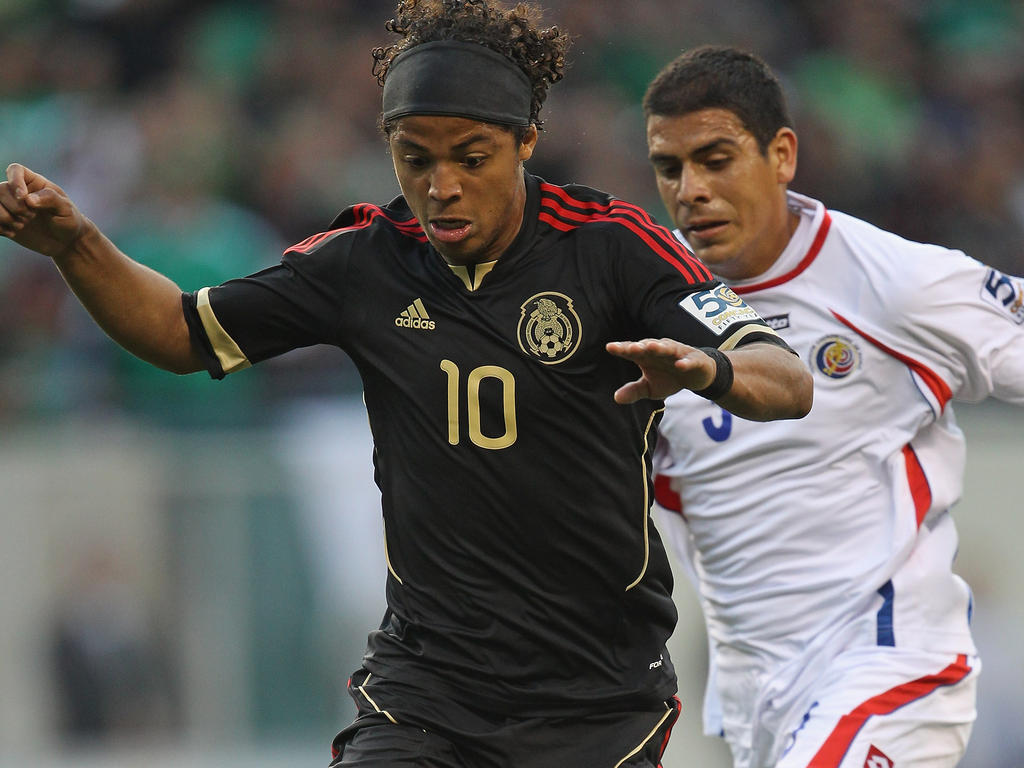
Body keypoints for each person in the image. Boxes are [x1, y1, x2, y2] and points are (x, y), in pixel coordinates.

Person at [0, 3, 813, 764]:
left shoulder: (615, 247)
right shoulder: (364, 262)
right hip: (426, 687)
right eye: (414, 158)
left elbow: (785, 375)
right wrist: (77, 245)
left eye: (471, 158)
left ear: (526, 140)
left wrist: (712, 370)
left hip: (597, 697)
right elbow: (179, 333)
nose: (441, 186)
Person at [642, 44, 1024, 768]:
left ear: (782, 154)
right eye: (670, 167)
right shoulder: (646, 300)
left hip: (886, 664)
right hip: (755, 692)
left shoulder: (892, 282)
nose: (691, 189)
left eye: (716, 159)